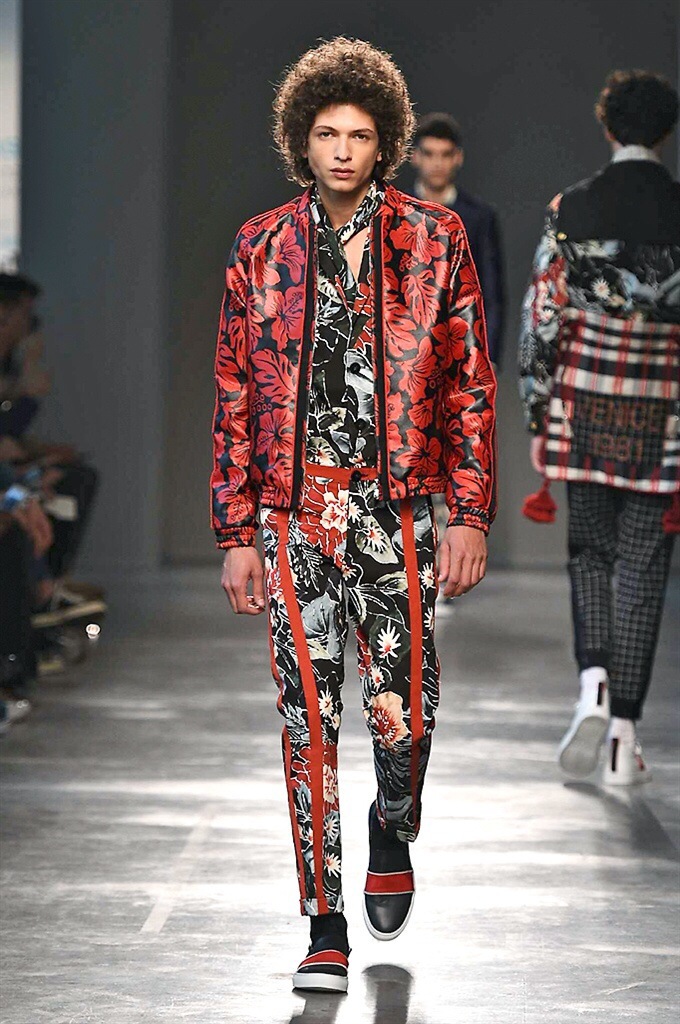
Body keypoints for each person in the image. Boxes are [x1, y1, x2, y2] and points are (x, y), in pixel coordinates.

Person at [211, 37, 496, 993]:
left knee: (405, 712)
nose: (341, 150)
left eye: (360, 135)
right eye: (327, 133)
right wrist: (236, 531)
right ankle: (322, 922)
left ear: (386, 144)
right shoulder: (261, 246)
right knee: (308, 718)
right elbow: (234, 392)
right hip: (294, 514)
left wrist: (470, 512)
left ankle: (391, 822)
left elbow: (469, 386)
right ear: (301, 138)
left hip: (395, 509)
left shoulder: (434, 240)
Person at [519, 70, 679, 786]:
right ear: (666, 132)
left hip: (583, 402)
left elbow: (542, 315)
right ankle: (624, 738)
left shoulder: (571, 207)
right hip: (662, 407)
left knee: (590, 553)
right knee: (644, 564)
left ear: (607, 127)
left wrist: (537, 407)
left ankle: (594, 687)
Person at [410, 112, 505, 367]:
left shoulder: (480, 217)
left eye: (445, 154)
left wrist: (489, 357)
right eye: (429, 154)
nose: (437, 163)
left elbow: (491, 293)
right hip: (405, 349)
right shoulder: (394, 213)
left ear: (458, 158)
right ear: (414, 157)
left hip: (462, 347)